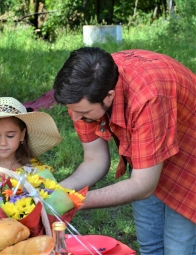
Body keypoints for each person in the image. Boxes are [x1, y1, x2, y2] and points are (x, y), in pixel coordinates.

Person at [53, 47, 196, 255]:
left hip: (190, 155)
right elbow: (95, 160)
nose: (75, 118)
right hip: (149, 145)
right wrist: (54, 192)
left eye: (82, 113)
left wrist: (74, 201)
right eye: (72, 110)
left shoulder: (149, 97)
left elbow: (142, 185)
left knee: (178, 249)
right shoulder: (82, 94)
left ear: (109, 96)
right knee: (150, 246)